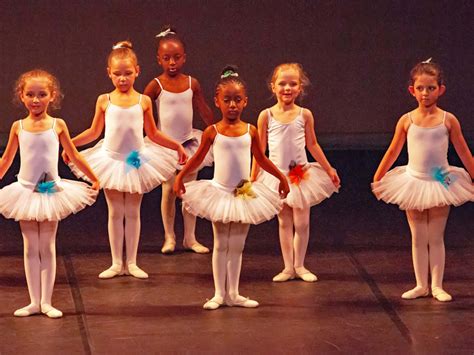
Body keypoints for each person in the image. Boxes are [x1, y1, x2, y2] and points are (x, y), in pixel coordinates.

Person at [64, 41, 187, 279]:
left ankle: (131, 262)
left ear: (137, 71)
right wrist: (69, 144)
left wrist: (176, 145)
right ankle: (115, 263)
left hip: (135, 161)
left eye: (128, 73)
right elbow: (94, 132)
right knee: (114, 212)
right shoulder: (104, 100)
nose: (123, 79)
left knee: (132, 212)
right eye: (117, 74)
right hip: (110, 160)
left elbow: (152, 134)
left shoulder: (143, 101)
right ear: (109, 73)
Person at [174, 66, 290, 310]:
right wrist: (181, 177)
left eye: (237, 100)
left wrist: (281, 177)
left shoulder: (251, 131)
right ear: (217, 102)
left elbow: (262, 159)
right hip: (218, 192)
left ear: (245, 102)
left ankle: (234, 293)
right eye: (227, 100)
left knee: (237, 245)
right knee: (220, 243)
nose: (233, 105)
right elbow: (196, 159)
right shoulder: (212, 132)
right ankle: (218, 293)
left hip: (243, 192)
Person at [0, 69, 99, 318]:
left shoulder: (58, 125)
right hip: (25, 192)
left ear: (52, 96)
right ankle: (34, 301)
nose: (36, 100)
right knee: (30, 247)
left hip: (51, 192)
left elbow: (74, 155)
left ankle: (47, 301)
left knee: (48, 245)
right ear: (21, 97)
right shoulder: (18, 127)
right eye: (30, 95)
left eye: (41, 94)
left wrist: (93, 177)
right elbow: (6, 160)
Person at [372, 58, 474, 302]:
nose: (425, 93)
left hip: (441, 180)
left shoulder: (448, 120)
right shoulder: (406, 120)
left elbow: (463, 152)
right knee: (418, 237)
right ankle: (421, 285)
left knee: (436, 236)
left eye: (431, 88)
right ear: (412, 90)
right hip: (413, 181)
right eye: (420, 88)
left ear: (441, 89)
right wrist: (378, 176)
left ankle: (437, 285)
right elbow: (393, 151)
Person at [251, 63, 340, 282]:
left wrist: (328, 168)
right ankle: (288, 267)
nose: (287, 88)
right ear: (273, 87)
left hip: (300, 174)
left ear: (300, 88)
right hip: (276, 175)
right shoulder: (266, 115)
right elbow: (260, 151)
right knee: (284, 222)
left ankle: (300, 265)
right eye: (282, 83)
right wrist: (253, 177)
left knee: (302, 222)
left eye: (293, 84)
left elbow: (313, 144)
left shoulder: (304, 115)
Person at [144, 26, 214, 254]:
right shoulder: (156, 85)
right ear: (159, 60)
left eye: (176, 57)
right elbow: (142, 112)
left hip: (189, 143)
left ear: (184, 58)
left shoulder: (192, 83)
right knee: (168, 190)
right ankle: (169, 237)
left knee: (189, 190)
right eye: (166, 58)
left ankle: (190, 238)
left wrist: (216, 129)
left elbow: (203, 110)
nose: (171, 62)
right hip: (165, 146)